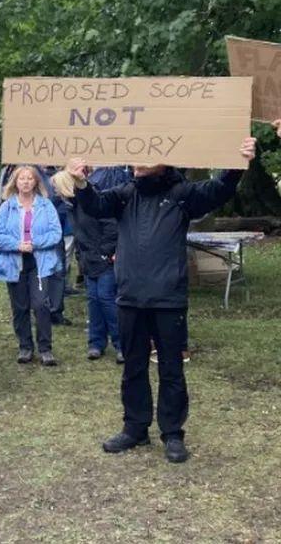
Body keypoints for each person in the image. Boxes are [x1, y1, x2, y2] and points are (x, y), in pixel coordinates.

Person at [67, 134, 259, 464]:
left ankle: (172, 433)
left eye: (147, 154)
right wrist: (82, 183)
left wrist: (237, 165)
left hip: (168, 299)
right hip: (129, 298)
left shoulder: (181, 194)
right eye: (135, 153)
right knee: (133, 368)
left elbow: (218, 191)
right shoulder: (125, 194)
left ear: (165, 159)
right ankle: (135, 428)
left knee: (171, 369)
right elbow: (96, 206)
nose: (138, 159)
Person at [0, 165, 62, 366]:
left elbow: (56, 233)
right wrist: (16, 245)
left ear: (36, 182)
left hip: (40, 261)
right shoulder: (7, 207)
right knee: (19, 306)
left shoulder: (46, 206)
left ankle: (45, 348)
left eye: (30, 178)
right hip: (15, 262)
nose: (26, 182)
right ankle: (25, 346)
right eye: (22, 179)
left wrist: (35, 244)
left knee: (40, 304)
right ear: (15, 182)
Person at [50, 170, 122, 363]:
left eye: (57, 187)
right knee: (93, 300)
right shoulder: (72, 206)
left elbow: (111, 227)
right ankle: (96, 343)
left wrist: (105, 252)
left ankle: (121, 344)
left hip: (103, 258)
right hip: (89, 260)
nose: (55, 191)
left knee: (106, 299)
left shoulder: (93, 201)